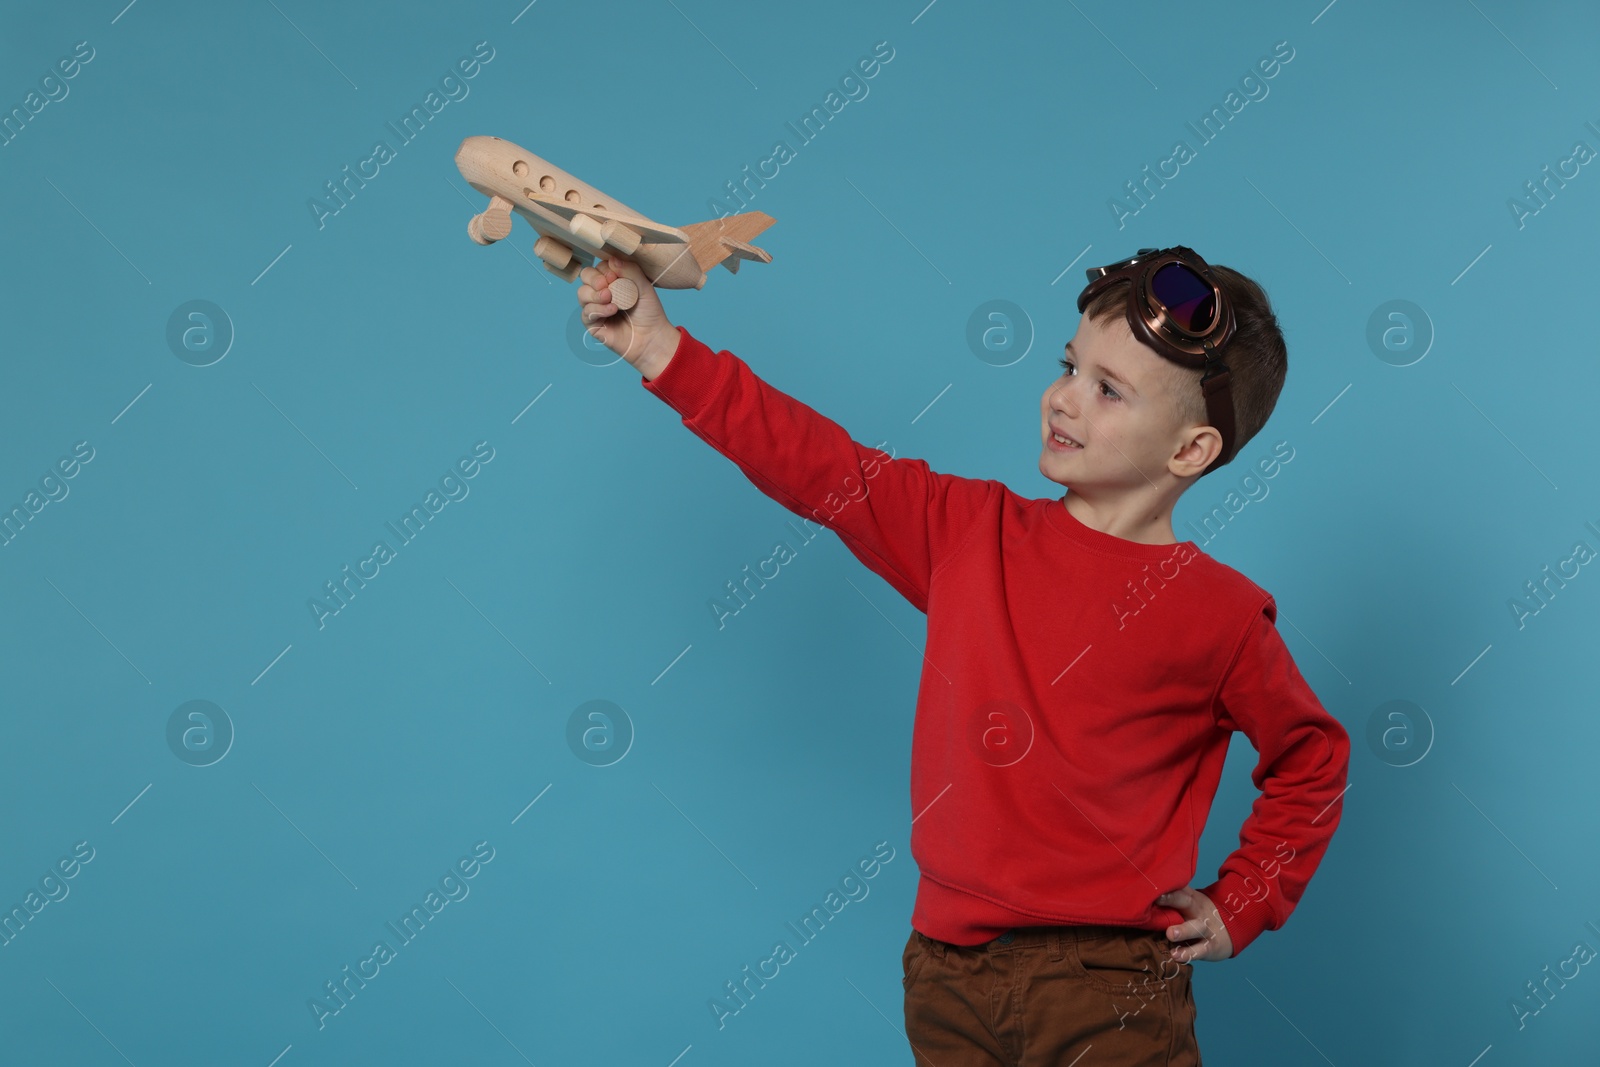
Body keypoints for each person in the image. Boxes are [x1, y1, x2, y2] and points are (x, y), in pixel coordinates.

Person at [576, 245, 1350, 1066]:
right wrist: (659, 348)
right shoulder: (966, 532)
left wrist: (1247, 899)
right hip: (946, 974)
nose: (1062, 398)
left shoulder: (1221, 613)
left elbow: (1312, 758)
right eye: (1069, 366)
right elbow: (815, 462)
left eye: (1107, 389)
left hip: (1111, 978)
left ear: (1190, 451)